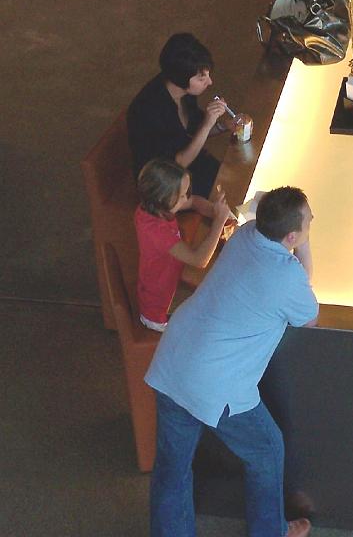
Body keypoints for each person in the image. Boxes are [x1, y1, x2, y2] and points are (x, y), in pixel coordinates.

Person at [145, 186, 318, 537]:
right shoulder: (286, 274)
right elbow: (308, 315)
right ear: (291, 234)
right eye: (308, 218)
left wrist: (282, 222)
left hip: (173, 359)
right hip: (215, 383)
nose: (313, 218)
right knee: (267, 451)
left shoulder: (245, 236)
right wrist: (304, 243)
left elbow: (258, 218)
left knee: (172, 470)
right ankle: (270, 532)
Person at [127, 32, 233, 199]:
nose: (210, 82)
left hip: (187, 159)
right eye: (201, 78)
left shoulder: (182, 90)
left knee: (230, 177)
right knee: (225, 194)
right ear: (182, 78)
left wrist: (224, 126)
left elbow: (191, 130)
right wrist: (207, 124)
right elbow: (177, 164)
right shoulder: (149, 112)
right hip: (165, 183)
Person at [134, 158, 232, 332]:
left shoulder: (155, 207)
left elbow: (193, 201)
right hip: (160, 309)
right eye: (181, 195)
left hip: (168, 281)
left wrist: (213, 210)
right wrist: (219, 222)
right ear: (164, 198)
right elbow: (199, 260)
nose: (185, 197)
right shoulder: (157, 231)